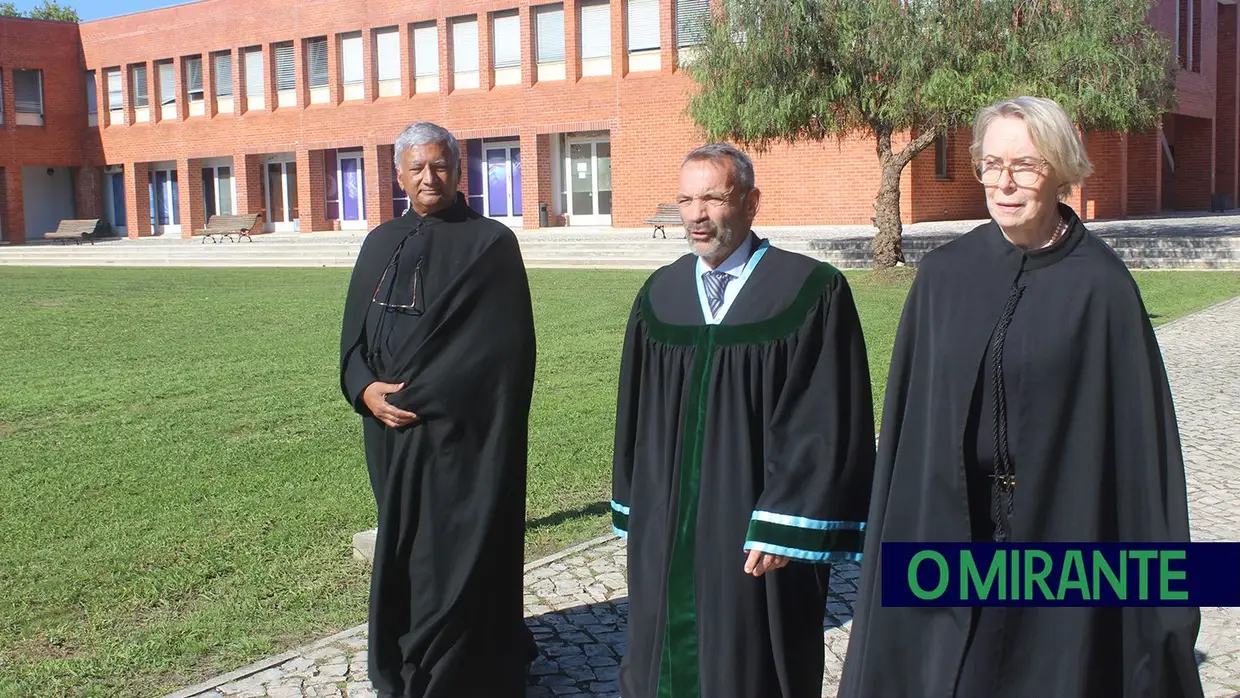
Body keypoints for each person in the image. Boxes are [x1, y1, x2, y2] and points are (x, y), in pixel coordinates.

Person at [838, 97, 1204, 698]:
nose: (1004, 183)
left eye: (1025, 166)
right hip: (953, 527)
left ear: (1061, 171)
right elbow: (910, 431)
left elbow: (1140, 459)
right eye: (990, 164)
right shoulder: (944, 278)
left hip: (1062, 533)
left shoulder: (1102, 288)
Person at [610, 142, 877, 698]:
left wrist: (787, 521)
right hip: (668, 519)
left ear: (752, 202)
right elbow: (633, 414)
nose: (696, 215)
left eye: (712, 197)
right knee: (658, 654)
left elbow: (827, 416)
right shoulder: (660, 296)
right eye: (685, 200)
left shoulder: (808, 291)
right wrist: (636, 506)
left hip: (753, 525)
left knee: (749, 658)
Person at [338, 121, 538, 698]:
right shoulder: (379, 241)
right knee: (405, 551)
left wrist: (415, 399)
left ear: (458, 170)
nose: (430, 177)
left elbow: (501, 352)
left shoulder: (491, 243)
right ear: (399, 174)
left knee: (451, 552)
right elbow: (353, 339)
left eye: (440, 166)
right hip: (389, 435)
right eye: (417, 167)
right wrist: (365, 390)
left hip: (458, 437)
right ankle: (405, 657)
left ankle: (459, 671)